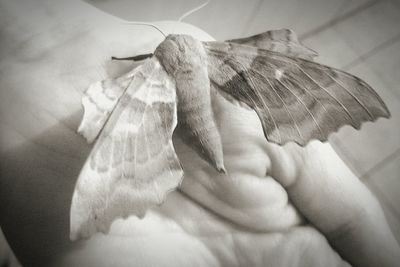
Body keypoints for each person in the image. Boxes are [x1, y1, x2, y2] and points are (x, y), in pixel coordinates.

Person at [0, 0, 399, 266]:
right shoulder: (220, 53)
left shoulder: (145, 76)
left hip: (160, 103)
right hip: (216, 85)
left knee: (118, 142)